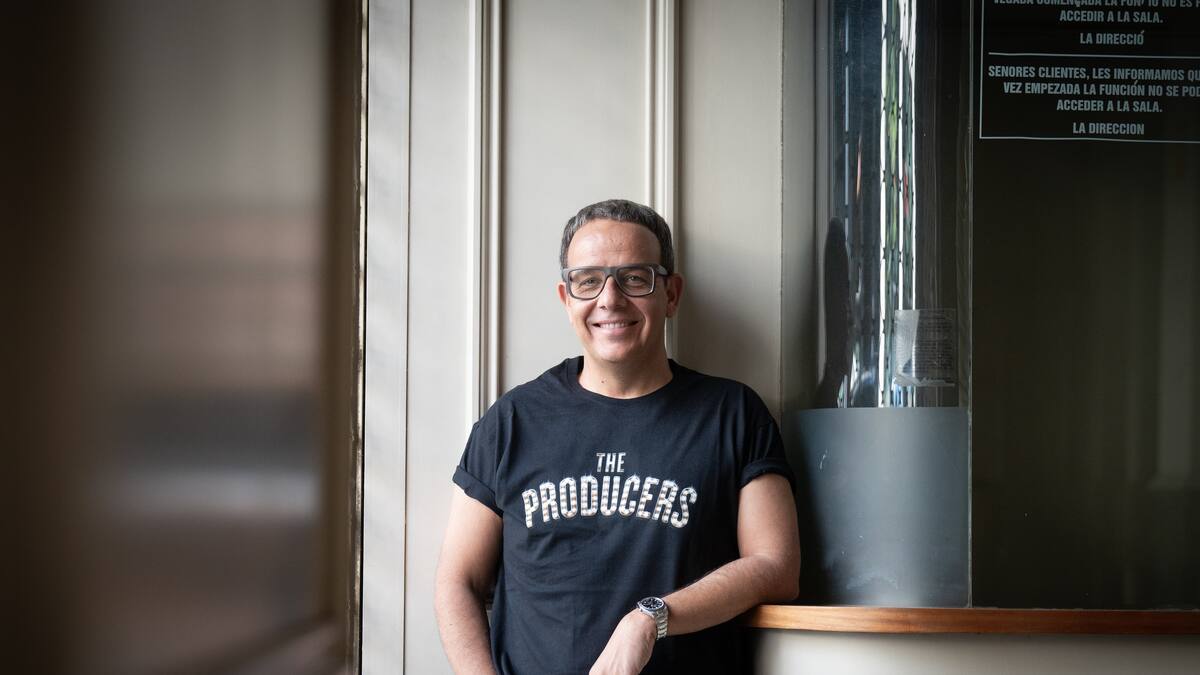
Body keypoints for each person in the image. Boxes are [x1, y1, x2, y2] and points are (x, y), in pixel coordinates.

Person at [434, 199, 800, 674]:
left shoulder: (733, 414)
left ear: (671, 294)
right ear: (567, 299)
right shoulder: (512, 421)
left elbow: (776, 566)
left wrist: (649, 620)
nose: (610, 299)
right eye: (588, 280)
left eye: (634, 278)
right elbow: (457, 581)